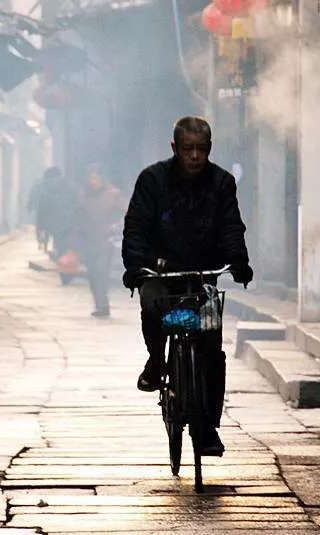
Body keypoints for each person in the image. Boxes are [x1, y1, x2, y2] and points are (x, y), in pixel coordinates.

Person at [121, 116, 253, 456]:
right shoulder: (152, 180)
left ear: (209, 149)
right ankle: (156, 360)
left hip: (203, 275)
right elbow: (135, 225)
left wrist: (238, 261)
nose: (195, 156)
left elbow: (231, 225)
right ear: (175, 149)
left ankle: (207, 427)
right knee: (152, 309)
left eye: (201, 149)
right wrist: (135, 266)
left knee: (211, 347)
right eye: (188, 149)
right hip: (160, 273)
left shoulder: (222, 182)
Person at [76, 164, 126, 317]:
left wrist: (115, 227)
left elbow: (123, 214)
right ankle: (99, 303)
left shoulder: (113, 194)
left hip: (106, 240)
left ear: (102, 178)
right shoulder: (83, 195)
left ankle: (103, 305)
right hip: (88, 240)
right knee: (92, 274)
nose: (93, 181)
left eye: (96, 177)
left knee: (101, 271)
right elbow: (78, 216)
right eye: (90, 178)